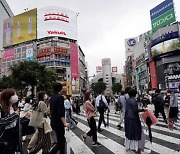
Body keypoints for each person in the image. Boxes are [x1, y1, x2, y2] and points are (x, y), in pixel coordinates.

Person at [124, 89, 148, 153]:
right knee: (140, 134)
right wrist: (143, 109)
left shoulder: (128, 100)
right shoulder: (133, 100)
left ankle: (128, 148)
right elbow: (135, 110)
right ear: (135, 94)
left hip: (128, 119)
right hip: (134, 120)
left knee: (129, 134)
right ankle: (140, 149)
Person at [50, 83, 70, 154]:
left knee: (61, 140)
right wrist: (65, 123)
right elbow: (60, 113)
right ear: (61, 89)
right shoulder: (60, 98)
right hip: (59, 123)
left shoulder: (52, 97)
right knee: (61, 141)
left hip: (53, 121)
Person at [0, 88, 19, 154]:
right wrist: (14, 115)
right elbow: (1, 122)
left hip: (13, 134)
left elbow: (14, 122)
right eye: (14, 94)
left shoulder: (12, 107)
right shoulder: (1, 108)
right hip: (4, 135)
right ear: (8, 96)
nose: (16, 96)